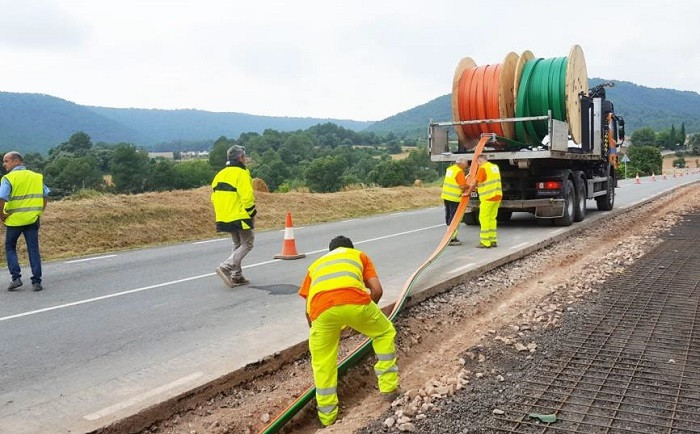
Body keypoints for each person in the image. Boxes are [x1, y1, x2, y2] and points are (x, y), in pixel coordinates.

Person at [298, 235, 399, 427]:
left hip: (320, 312)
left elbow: (308, 309)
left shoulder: (316, 265)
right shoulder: (358, 255)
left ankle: (327, 418)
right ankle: (389, 388)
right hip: (356, 302)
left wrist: (320, 330)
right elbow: (377, 290)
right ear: (350, 248)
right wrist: (364, 316)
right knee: (384, 332)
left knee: (322, 361)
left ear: (330, 252)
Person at [0, 151, 50, 291]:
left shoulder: (8, 178)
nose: (4, 164)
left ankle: (16, 278)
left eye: (6, 161)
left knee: (10, 247)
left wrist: (1, 216)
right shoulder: (36, 177)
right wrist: (39, 212)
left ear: (16, 161)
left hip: (14, 221)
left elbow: (1, 198)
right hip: (32, 220)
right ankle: (36, 281)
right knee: (33, 249)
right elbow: (45, 196)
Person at [211, 144, 256, 287]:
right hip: (239, 214)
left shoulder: (220, 174)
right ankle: (226, 267)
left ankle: (237, 275)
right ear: (241, 157)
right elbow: (247, 196)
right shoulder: (242, 173)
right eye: (245, 156)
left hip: (224, 215)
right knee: (247, 243)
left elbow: (213, 197)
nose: (246, 159)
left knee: (237, 243)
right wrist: (252, 212)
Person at [470, 154, 502, 248]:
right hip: (497, 196)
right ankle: (493, 240)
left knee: (484, 219)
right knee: (492, 218)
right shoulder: (494, 167)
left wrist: (470, 189)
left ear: (479, 162)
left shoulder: (483, 168)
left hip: (488, 197)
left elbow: (477, 181)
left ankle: (485, 242)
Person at [441, 156, 469, 245]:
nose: (467, 165)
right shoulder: (459, 172)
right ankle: (452, 238)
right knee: (454, 218)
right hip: (455, 197)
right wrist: (469, 186)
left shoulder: (450, 169)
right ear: (461, 164)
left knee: (448, 215)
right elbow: (462, 186)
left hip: (446, 196)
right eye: (466, 163)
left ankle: (448, 235)